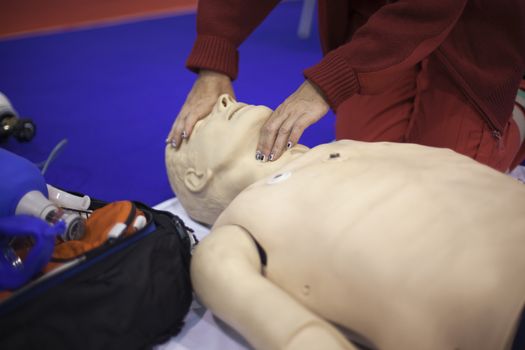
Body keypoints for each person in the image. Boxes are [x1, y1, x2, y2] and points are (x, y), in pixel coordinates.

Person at [165, 95, 525, 349]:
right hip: (502, 312)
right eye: (198, 122)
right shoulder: (235, 232)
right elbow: (297, 337)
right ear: (196, 176)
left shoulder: (345, 146)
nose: (224, 101)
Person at [166, 1, 525, 173]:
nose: (237, 109)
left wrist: (332, 81)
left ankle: (517, 106)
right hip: (372, 25)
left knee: (448, 184)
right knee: (368, 170)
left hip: (474, 28)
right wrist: (215, 55)